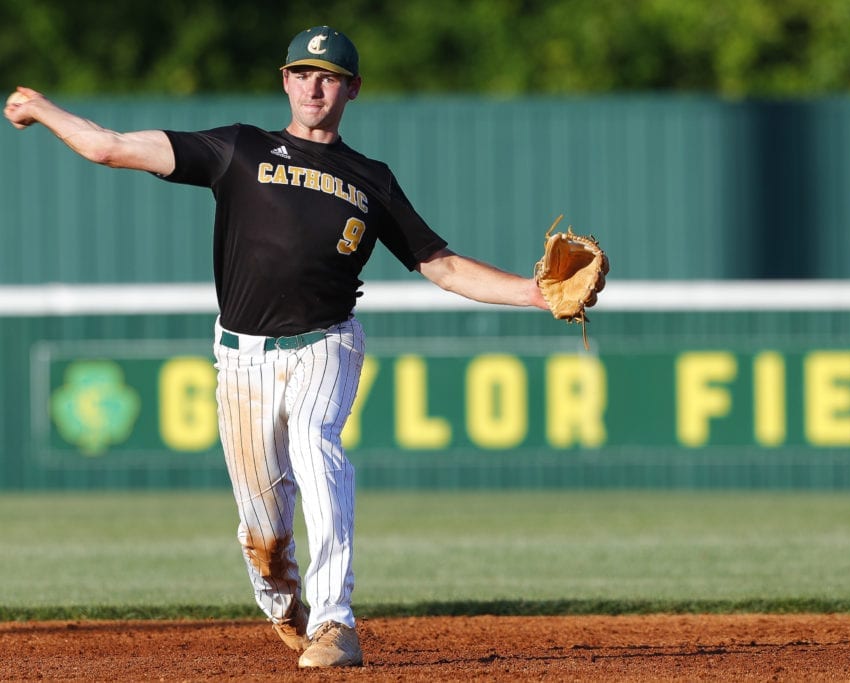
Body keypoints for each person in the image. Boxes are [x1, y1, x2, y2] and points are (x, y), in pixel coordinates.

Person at [5, 25, 548, 669]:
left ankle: (335, 623)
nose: (314, 86)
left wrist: (535, 293)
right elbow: (112, 148)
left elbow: (441, 264)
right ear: (285, 80)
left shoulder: (371, 179)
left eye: (329, 76)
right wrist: (41, 109)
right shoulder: (238, 148)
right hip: (241, 358)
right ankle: (283, 603)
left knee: (318, 455)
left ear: (352, 89)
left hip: (326, 344)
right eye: (302, 73)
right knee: (264, 530)